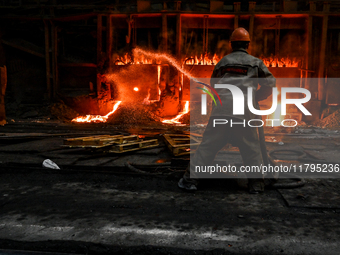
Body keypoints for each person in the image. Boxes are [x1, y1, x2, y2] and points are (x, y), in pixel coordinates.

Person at [178, 27, 276, 194]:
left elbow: (214, 86)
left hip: (221, 112)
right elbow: (270, 83)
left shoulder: (222, 63)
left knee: (207, 147)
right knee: (251, 148)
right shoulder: (255, 62)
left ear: (231, 44)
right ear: (247, 44)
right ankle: (256, 185)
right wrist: (256, 97)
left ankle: (190, 181)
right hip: (244, 113)